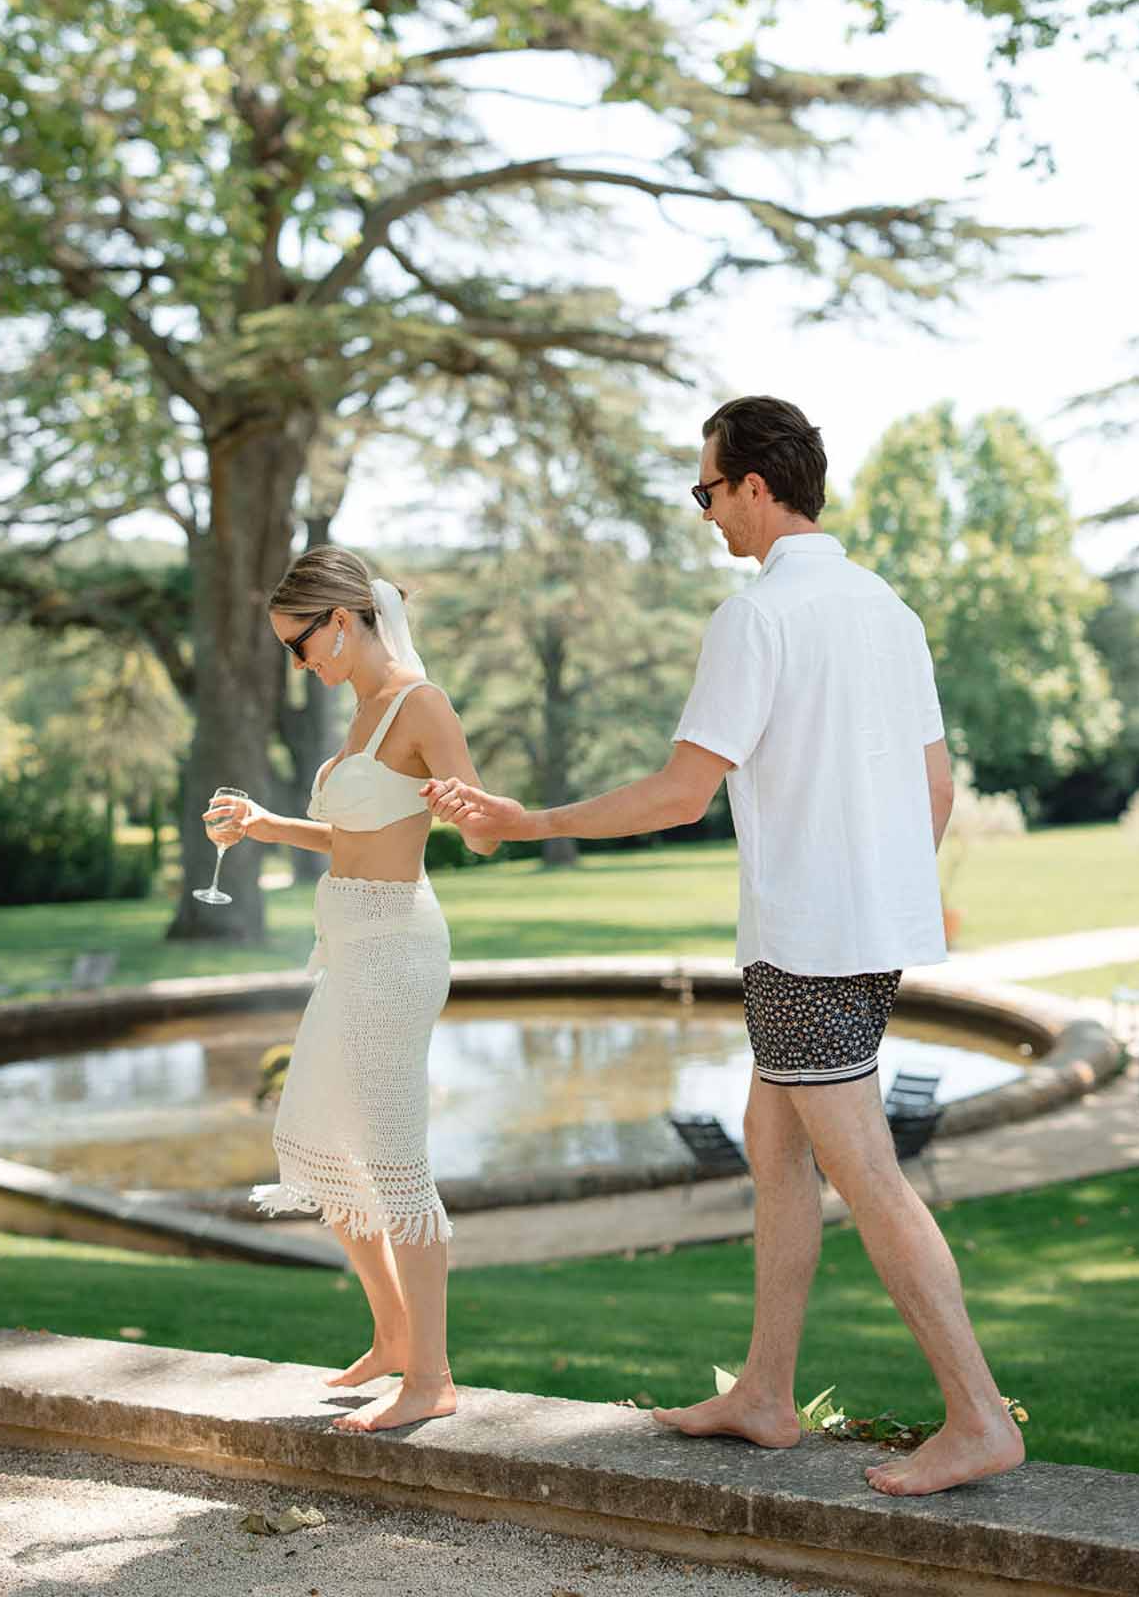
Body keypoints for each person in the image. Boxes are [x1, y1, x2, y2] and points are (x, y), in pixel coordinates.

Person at [423, 395, 1025, 1496]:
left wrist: (526, 820)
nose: (705, 513)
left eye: (707, 490)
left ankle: (980, 1415)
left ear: (754, 481)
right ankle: (764, 1390)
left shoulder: (758, 616)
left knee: (870, 1176)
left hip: (804, 944)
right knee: (772, 1135)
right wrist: (876, 895)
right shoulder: (888, 609)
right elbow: (934, 783)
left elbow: (677, 790)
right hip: (858, 937)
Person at [202, 545, 497, 1433]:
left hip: (398, 949)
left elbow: (481, 833)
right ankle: (396, 1334)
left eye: (300, 644)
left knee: (396, 1157)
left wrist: (464, 811)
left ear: (341, 620)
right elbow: (354, 836)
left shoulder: (420, 705)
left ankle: (432, 1379)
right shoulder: (365, 709)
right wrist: (263, 825)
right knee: (312, 1136)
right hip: (349, 943)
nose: (299, 664)